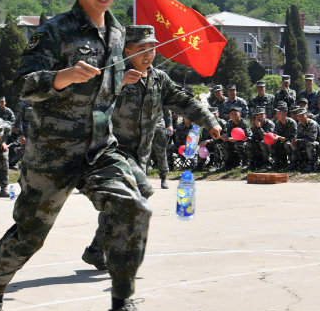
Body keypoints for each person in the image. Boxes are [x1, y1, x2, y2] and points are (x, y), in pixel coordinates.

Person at [0, 0, 162, 311]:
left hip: (98, 148)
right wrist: (61, 77)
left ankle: (122, 308)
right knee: (30, 237)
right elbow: (24, 85)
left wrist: (121, 80)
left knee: (134, 208)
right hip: (52, 154)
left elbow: (105, 88)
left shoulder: (117, 34)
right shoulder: (54, 32)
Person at [83, 24, 220, 270]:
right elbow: (89, 103)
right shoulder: (112, 74)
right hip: (113, 150)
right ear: (127, 51)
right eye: (141, 49)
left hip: (141, 154)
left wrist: (209, 120)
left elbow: (183, 101)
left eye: (152, 48)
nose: (148, 54)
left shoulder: (158, 79)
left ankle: (96, 250)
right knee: (142, 191)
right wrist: (119, 84)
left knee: (121, 201)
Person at [291, 108, 320, 172]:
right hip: (306, 141)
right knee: (292, 144)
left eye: (302, 116)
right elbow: (298, 136)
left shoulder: (312, 123)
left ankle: (312, 164)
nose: (300, 118)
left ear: (307, 116)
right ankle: (295, 164)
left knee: (310, 144)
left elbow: (312, 138)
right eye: (299, 116)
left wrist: (298, 140)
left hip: (318, 143)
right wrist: (294, 140)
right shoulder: (299, 125)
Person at [269, 102, 297, 171]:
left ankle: (292, 164)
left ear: (285, 113)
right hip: (282, 141)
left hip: (292, 142)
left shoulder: (292, 122)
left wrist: (279, 138)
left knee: (287, 144)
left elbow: (292, 138)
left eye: (279, 113)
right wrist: (274, 138)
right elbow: (276, 134)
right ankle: (278, 163)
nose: (277, 115)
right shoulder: (278, 123)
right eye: (276, 113)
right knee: (272, 144)